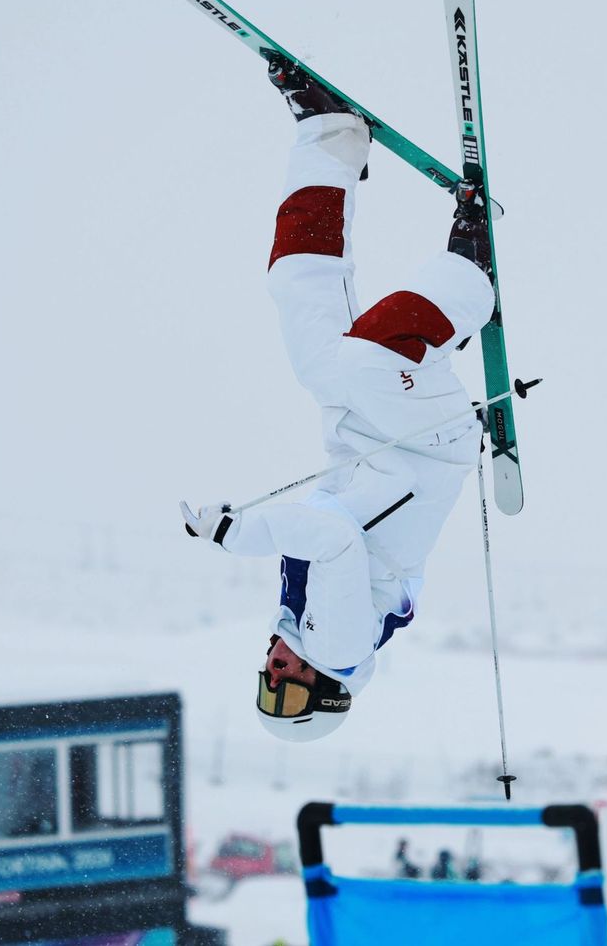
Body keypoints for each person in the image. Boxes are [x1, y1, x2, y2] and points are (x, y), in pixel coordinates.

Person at [182, 57, 496, 743]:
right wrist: (242, 535)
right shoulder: (342, 644)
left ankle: (329, 142)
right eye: (287, 693)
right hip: (422, 442)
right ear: (320, 693)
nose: (273, 670)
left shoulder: (305, 623)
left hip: (368, 437)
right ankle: (470, 275)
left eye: (265, 684)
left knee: (305, 316)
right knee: (359, 359)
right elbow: (329, 539)